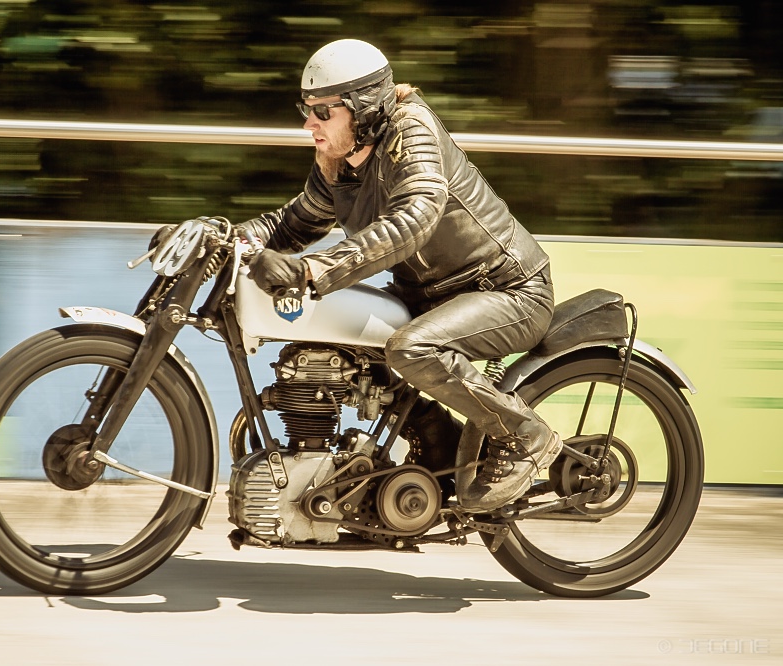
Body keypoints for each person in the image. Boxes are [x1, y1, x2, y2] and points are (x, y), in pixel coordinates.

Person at [237, 39, 562, 511]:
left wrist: (310, 270)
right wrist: (224, 240)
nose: (309, 123)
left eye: (323, 111)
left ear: (364, 107)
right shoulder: (340, 159)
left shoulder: (412, 133)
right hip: (426, 296)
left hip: (506, 290)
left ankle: (525, 434)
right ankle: (438, 447)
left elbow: (413, 219)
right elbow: (292, 224)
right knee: (346, 345)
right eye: (305, 109)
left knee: (411, 349)